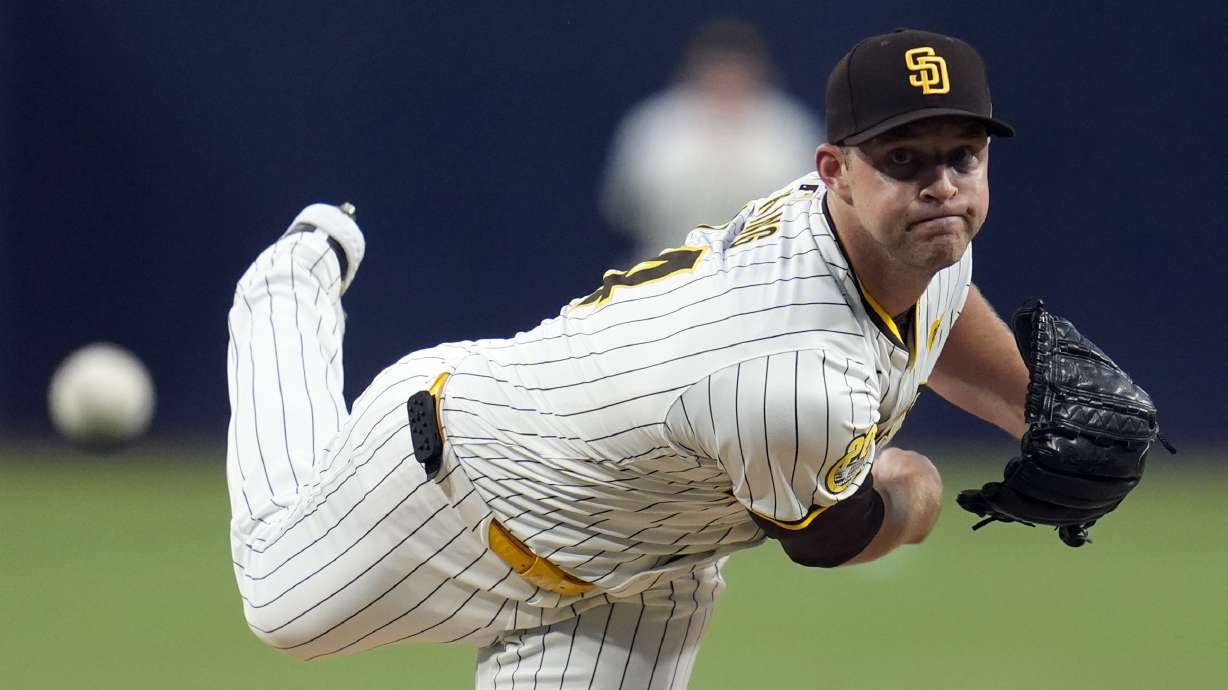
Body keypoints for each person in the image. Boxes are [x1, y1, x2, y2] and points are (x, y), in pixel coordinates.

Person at [226, 28, 1027, 689]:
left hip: (639, 575)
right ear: (835, 174)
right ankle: (290, 283)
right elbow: (829, 536)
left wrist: (1035, 413)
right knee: (279, 602)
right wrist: (914, 490)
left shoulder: (914, 231)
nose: (943, 185)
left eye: (964, 155)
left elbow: (938, 299)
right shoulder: (789, 377)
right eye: (905, 160)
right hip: (458, 484)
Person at [600, 19, 822, 261]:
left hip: (765, 269)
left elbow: (808, 210)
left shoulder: (791, 129)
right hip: (664, 267)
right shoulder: (653, 126)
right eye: (716, 68)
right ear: (694, 69)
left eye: (736, 70)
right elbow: (625, 209)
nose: (726, 79)